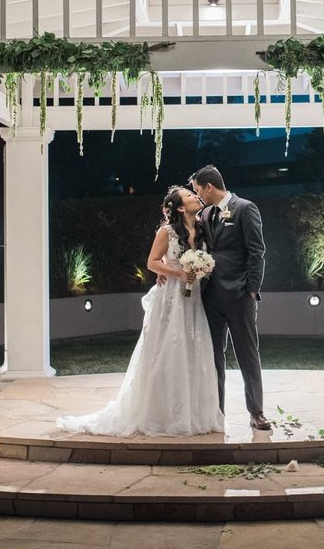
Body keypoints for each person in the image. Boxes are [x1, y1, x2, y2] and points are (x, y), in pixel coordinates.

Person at [56, 186, 223, 437]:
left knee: (193, 348)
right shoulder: (166, 232)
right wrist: (177, 272)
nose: (195, 196)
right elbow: (151, 262)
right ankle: (160, 413)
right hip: (172, 299)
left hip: (194, 299)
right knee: (166, 350)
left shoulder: (202, 228)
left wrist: (200, 270)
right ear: (178, 207)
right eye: (189, 195)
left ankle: (193, 413)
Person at [188, 165, 270, 431]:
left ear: (209, 187)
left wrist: (252, 289)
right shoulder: (204, 214)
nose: (197, 196)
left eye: (198, 190)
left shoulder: (245, 208)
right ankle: (216, 411)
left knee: (247, 353)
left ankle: (256, 412)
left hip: (239, 294)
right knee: (213, 357)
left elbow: (257, 251)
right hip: (210, 296)